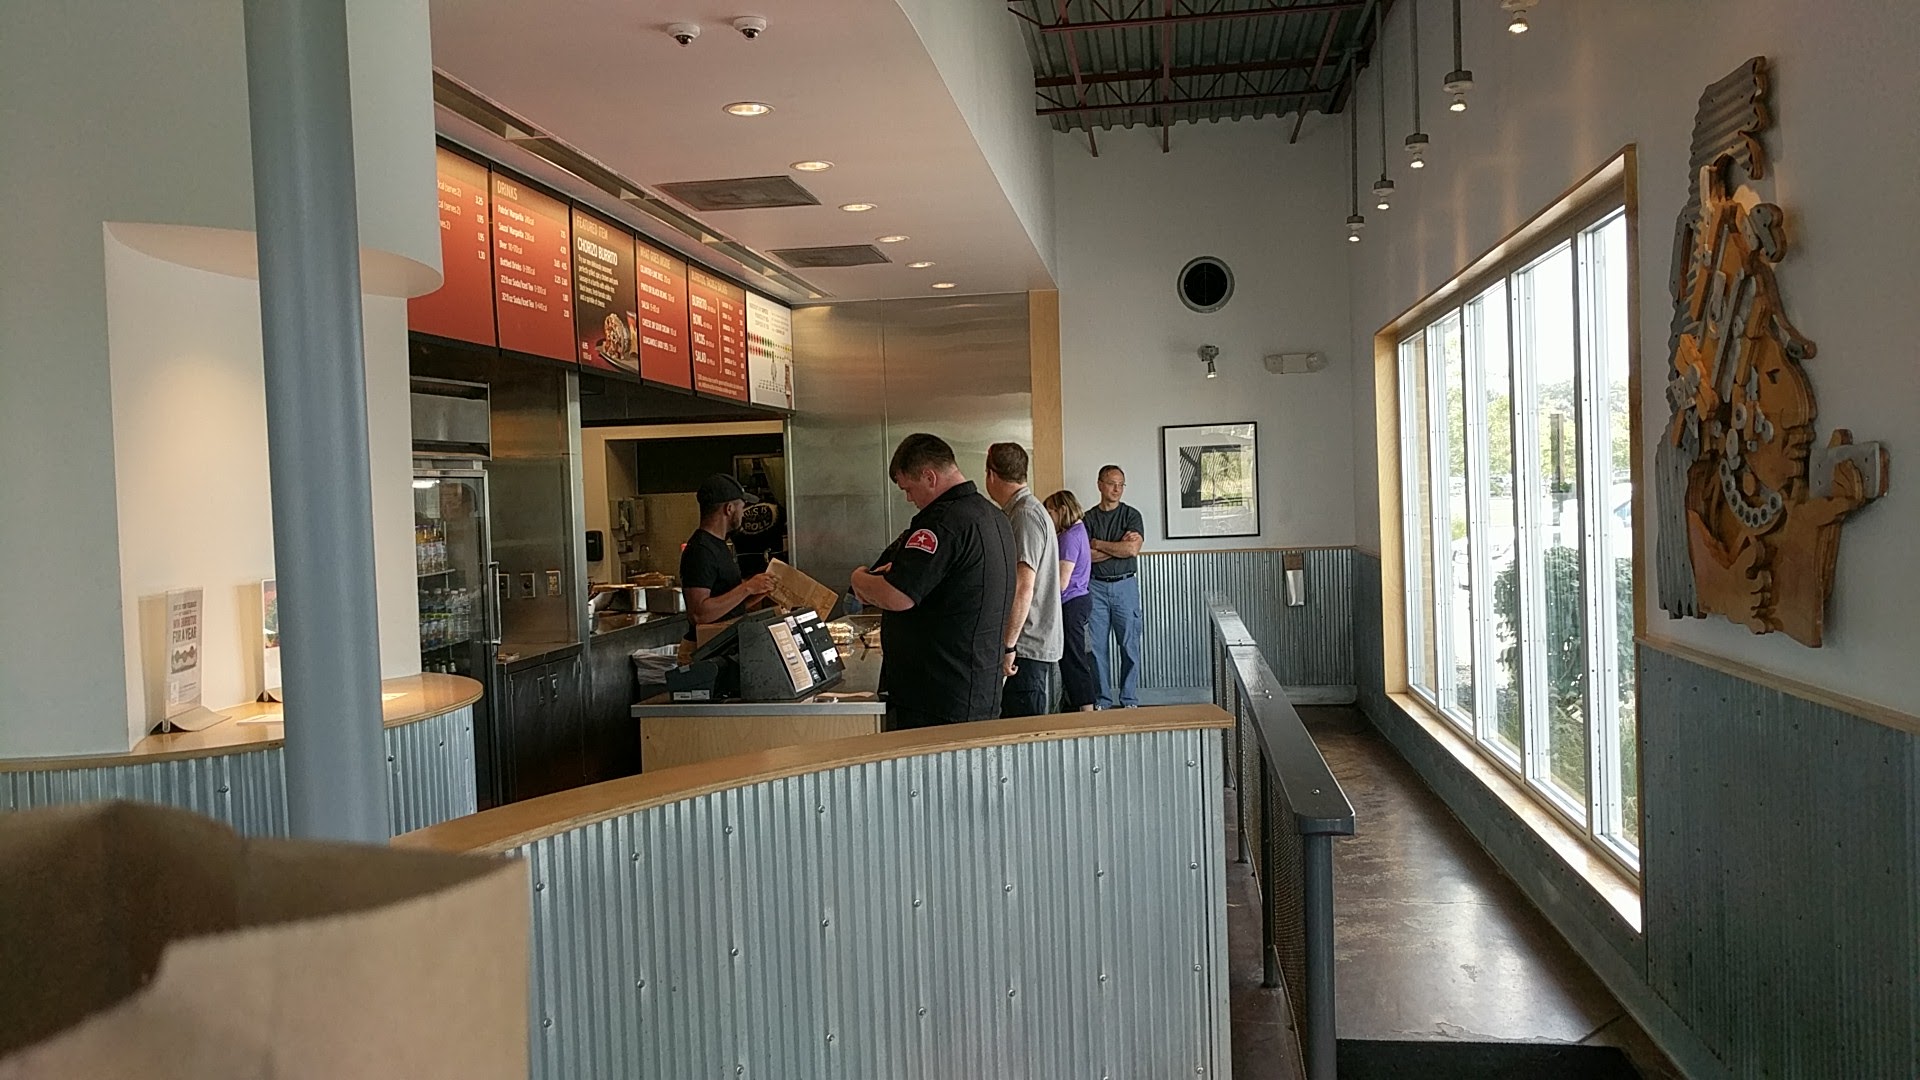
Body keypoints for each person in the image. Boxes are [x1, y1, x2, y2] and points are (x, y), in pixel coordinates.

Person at [850, 434, 1014, 730]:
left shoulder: (942, 523)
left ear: (929, 477)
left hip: (936, 699)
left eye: (909, 489)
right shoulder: (993, 516)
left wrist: (859, 578)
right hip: (976, 686)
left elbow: (898, 595)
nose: (909, 499)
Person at [983, 443, 1062, 719]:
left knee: (1024, 734)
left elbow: (1023, 585)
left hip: (1026, 649)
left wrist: (1008, 646)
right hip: (1028, 646)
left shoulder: (1024, 514)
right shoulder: (1025, 510)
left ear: (991, 475)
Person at [677, 473, 774, 665]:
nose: (744, 512)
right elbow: (699, 614)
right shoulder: (700, 550)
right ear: (729, 509)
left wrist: (759, 592)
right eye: (742, 506)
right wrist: (747, 587)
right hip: (701, 657)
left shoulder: (720, 545)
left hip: (720, 652)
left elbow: (726, 609)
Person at [1083, 464, 1145, 708]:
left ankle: (1129, 699)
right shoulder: (1088, 518)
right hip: (1095, 587)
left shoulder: (1132, 515)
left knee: (1129, 645)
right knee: (1096, 648)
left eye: (1121, 484)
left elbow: (1131, 549)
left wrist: (1098, 544)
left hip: (1125, 586)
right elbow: (1085, 556)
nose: (1117, 489)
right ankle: (1102, 700)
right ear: (1100, 485)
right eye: (1112, 483)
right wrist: (1117, 546)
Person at [1044, 489, 1097, 712]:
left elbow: (1062, 581)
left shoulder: (1069, 537)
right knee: (1076, 656)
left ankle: (1086, 710)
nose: (1048, 518)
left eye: (1050, 512)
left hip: (1071, 603)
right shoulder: (1078, 531)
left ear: (1062, 510)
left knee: (1073, 658)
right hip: (1080, 600)